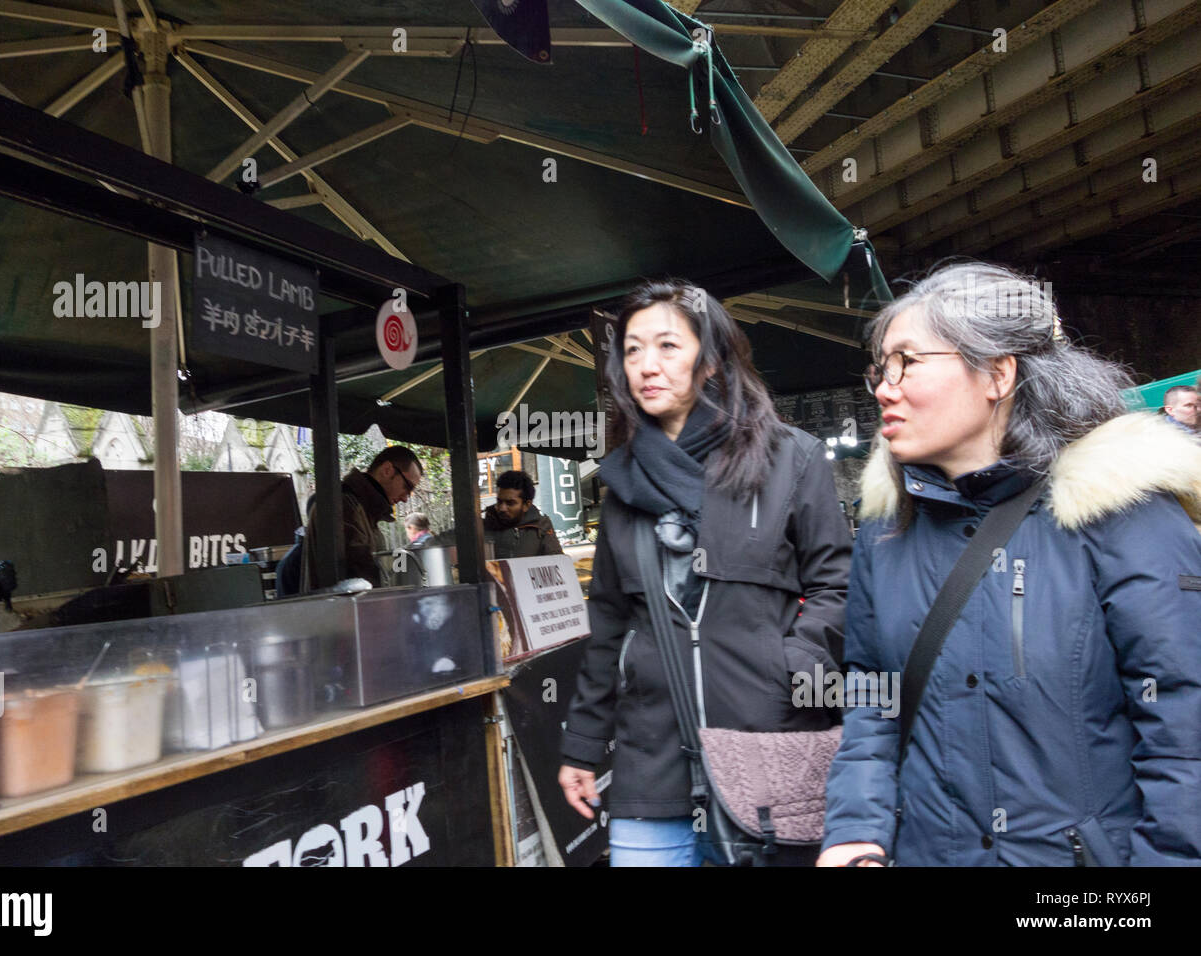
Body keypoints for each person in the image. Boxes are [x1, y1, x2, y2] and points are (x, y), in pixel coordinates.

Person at [820, 262, 1201, 867]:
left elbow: (1184, 731)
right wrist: (856, 831)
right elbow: (872, 700)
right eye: (880, 368)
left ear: (998, 374)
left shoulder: (1125, 514)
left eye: (908, 363)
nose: (884, 388)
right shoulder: (886, 532)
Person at [557, 279, 852, 867]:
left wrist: (792, 669)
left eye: (668, 346)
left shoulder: (789, 458)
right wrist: (584, 744)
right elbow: (610, 621)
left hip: (767, 739)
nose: (646, 365)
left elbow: (838, 584)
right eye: (632, 349)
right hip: (651, 756)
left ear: (711, 360)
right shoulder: (622, 485)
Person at [292, 446, 423, 590]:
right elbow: (360, 571)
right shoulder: (344, 506)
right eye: (407, 486)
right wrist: (405, 574)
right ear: (387, 470)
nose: (406, 498)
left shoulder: (364, 510)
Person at [482, 470, 563, 559]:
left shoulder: (541, 525)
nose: (502, 508)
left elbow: (557, 561)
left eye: (510, 503)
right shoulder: (483, 526)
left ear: (526, 505)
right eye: (499, 501)